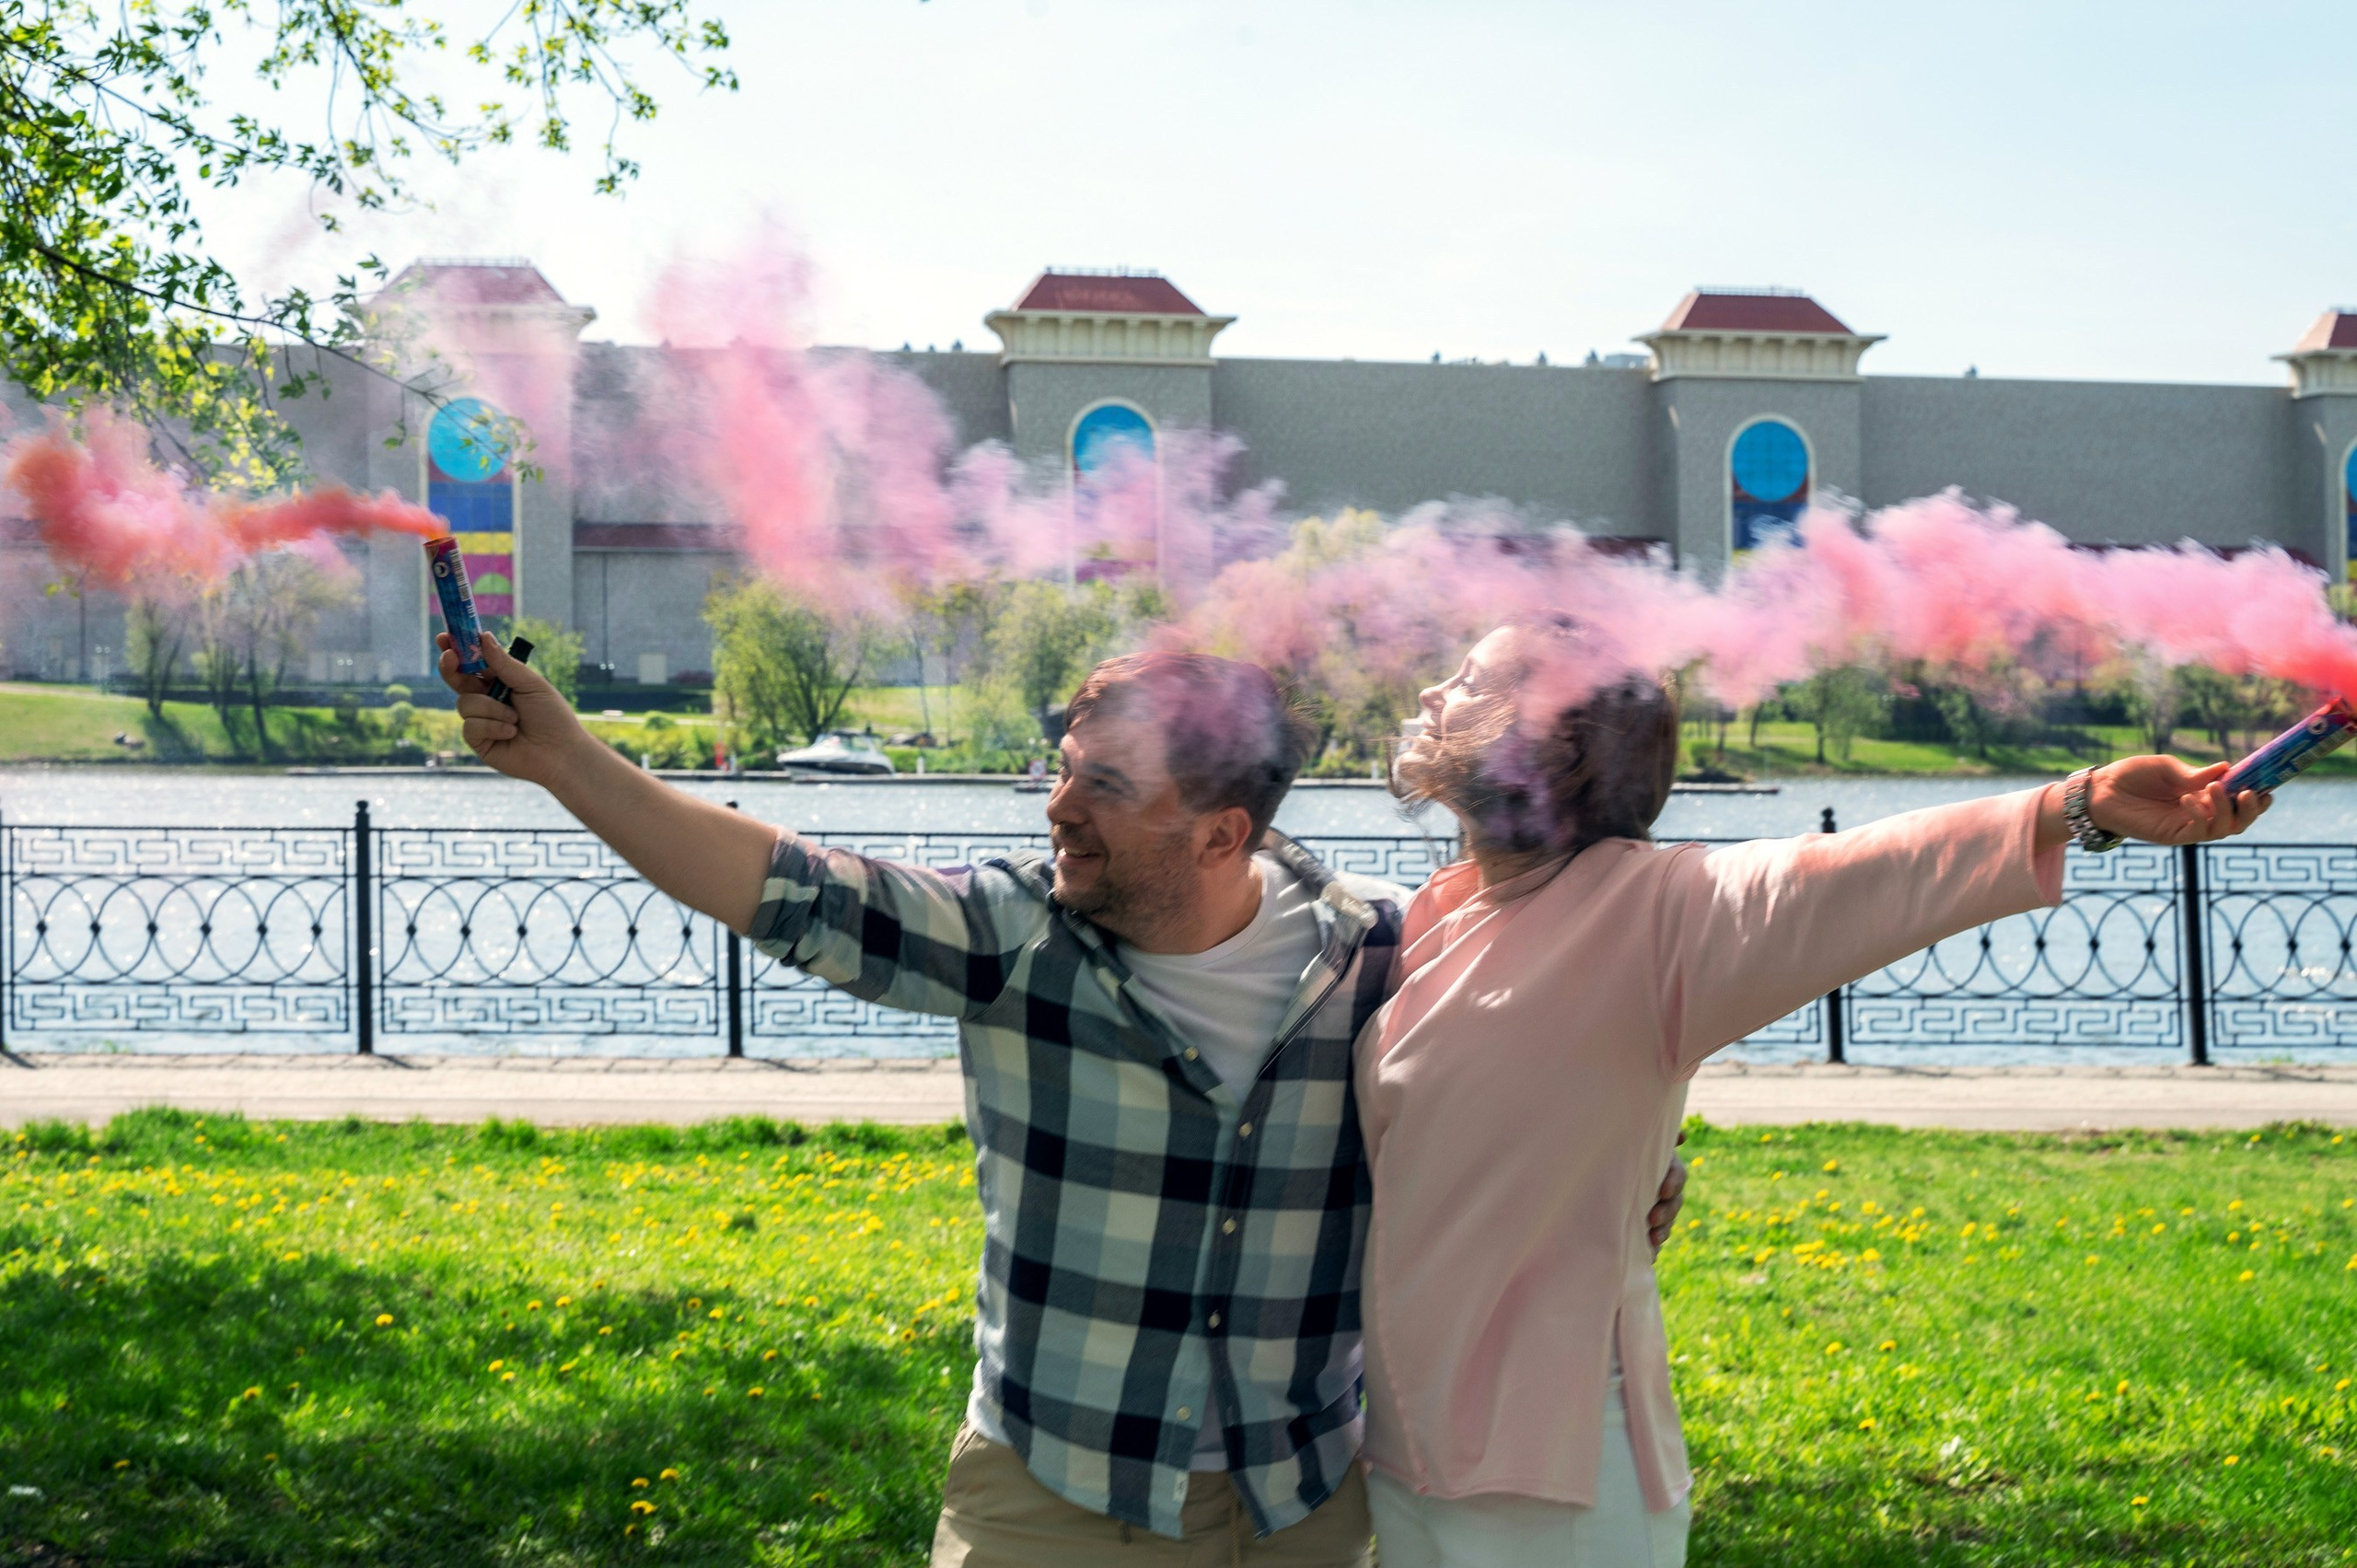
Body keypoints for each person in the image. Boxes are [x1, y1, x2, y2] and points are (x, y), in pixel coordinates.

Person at [438, 631, 1693, 1567]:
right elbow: (786, 886)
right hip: (1053, 1504)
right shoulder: (1009, 934)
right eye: (1064, 769)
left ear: (1221, 833)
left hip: (1300, 1510)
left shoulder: (1377, 953)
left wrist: (1627, 1167)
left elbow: (1519, 1064)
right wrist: (563, 758)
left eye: (1105, 785)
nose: (1057, 807)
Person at [1357, 617, 2269, 1568]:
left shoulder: (1658, 909)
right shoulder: (1439, 910)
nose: (1431, 695)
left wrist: (2070, 805)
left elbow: (1846, 873)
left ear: (1555, 743)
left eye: (1468, 681)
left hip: (1551, 1484)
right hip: (1408, 1454)